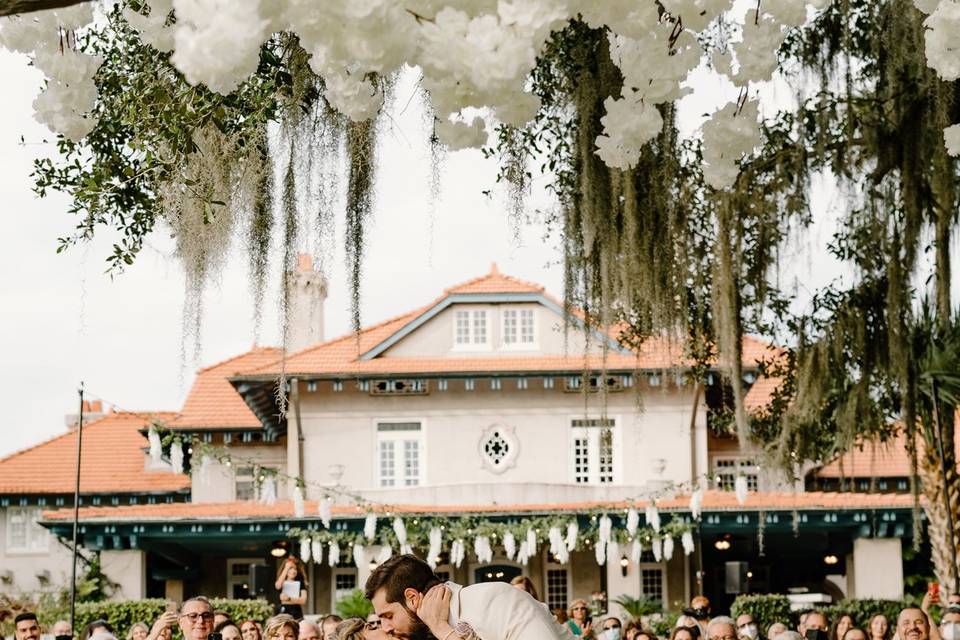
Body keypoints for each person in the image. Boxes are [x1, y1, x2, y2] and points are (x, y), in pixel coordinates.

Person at [365, 553, 570, 640]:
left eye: (388, 616)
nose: (385, 628)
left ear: (412, 597)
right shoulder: (424, 633)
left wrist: (443, 630)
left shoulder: (496, 600)